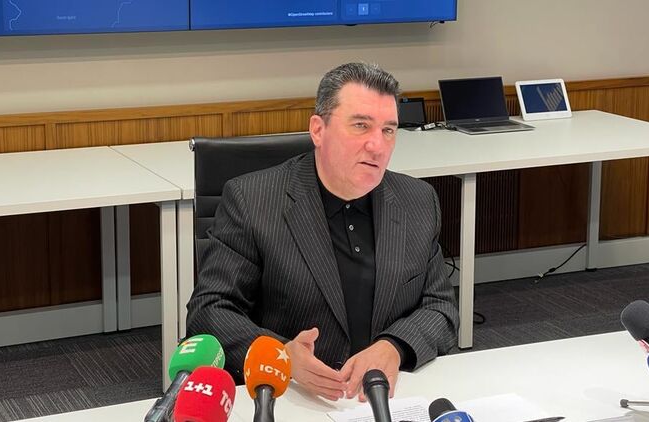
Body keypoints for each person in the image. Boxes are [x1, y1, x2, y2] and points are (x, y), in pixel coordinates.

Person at [186, 62, 459, 401]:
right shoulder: (252, 200)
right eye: (361, 126)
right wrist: (281, 354)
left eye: (388, 130)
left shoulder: (417, 200)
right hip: (291, 397)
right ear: (318, 130)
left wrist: (394, 346)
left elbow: (441, 307)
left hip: (384, 394)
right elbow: (209, 311)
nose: (377, 145)